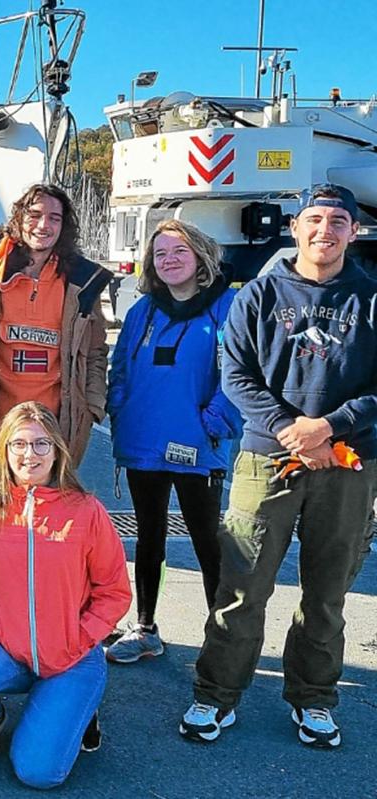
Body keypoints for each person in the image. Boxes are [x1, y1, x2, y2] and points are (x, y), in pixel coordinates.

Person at [180, 184, 377, 749]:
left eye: (338, 221)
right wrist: (295, 430)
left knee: (327, 592)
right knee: (242, 585)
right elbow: (235, 373)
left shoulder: (370, 295)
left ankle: (314, 699)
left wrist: (329, 428)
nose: (325, 230)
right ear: (295, 228)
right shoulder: (260, 295)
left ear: (354, 231)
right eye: (314, 219)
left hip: (349, 462)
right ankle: (215, 695)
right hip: (267, 457)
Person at [0, 401, 131, 790]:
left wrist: (80, 637)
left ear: (57, 450)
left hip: (72, 656)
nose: (30, 455)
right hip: (9, 647)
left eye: (41, 444)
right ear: (4, 452)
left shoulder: (87, 511)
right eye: (19, 445)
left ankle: (79, 709)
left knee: (38, 773)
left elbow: (113, 591)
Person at [106, 220, 240, 664]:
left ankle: (221, 637)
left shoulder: (227, 305)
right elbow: (120, 368)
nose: (169, 260)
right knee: (149, 535)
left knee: (207, 538)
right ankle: (145, 627)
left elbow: (240, 374)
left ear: (201, 254)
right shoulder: (143, 310)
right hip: (145, 440)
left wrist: (215, 421)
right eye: (160, 253)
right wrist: (121, 409)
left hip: (198, 445)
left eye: (179, 251)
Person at [0, 183, 112, 493]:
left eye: (54, 218)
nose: (44, 225)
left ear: (64, 225)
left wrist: (91, 405)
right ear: (18, 219)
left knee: (49, 527)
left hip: (57, 431)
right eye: (34, 215)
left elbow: (97, 352)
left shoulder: (83, 284)